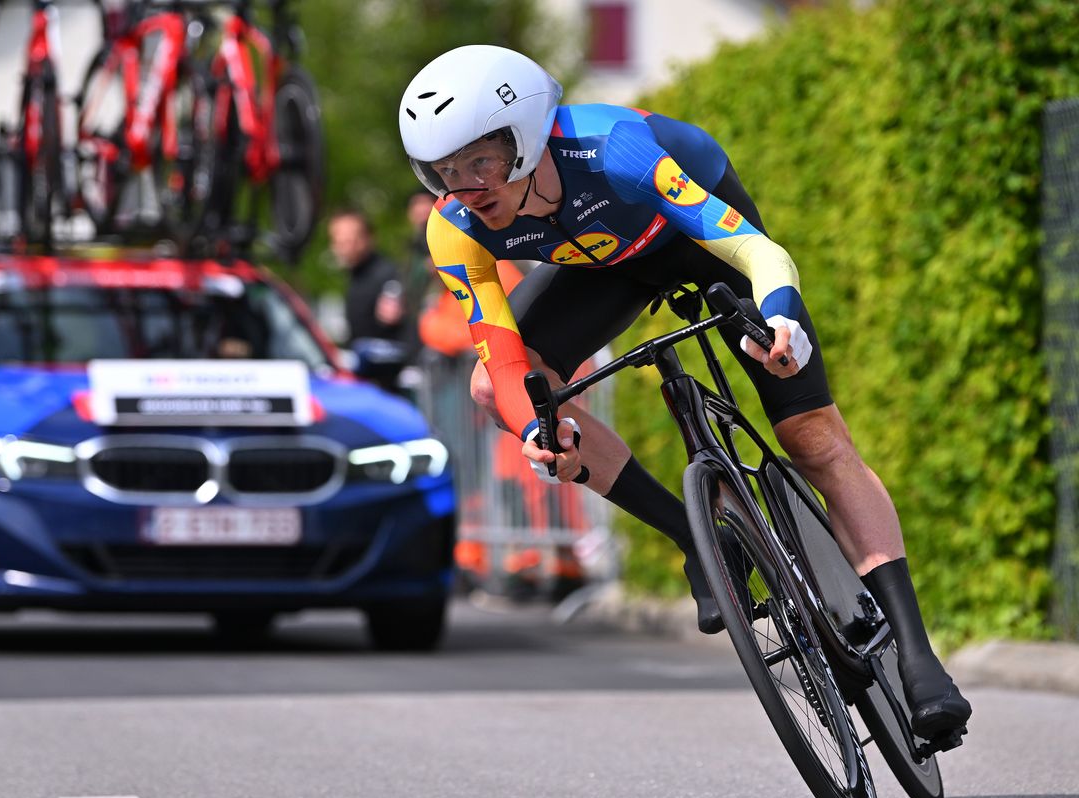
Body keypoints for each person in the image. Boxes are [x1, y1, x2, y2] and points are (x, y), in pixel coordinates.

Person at [398, 44, 970, 740]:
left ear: (522, 140)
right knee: (498, 389)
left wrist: (782, 317)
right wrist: (535, 430)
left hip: (694, 240)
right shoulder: (454, 230)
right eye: (443, 171)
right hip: (608, 265)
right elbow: (502, 353)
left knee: (811, 437)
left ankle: (916, 654)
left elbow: (760, 252)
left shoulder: (615, 151)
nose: (464, 186)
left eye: (479, 162)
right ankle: (698, 538)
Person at [327, 208, 409, 344]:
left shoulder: (387, 275)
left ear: (369, 238)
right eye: (339, 241)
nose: (346, 247)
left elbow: (392, 317)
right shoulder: (355, 275)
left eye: (351, 240)